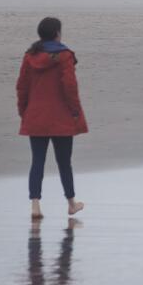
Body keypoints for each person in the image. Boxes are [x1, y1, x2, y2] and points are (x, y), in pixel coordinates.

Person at [16, 16, 87, 220]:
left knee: (37, 161)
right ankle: (71, 203)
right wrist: (75, 111)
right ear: (57, 33)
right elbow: (69, 86)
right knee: (64, 162)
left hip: (36, 115)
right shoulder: (64, 56)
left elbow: (22, 87)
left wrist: (24, 111)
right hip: (61, 117)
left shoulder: (30, 56)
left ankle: (35, 205)